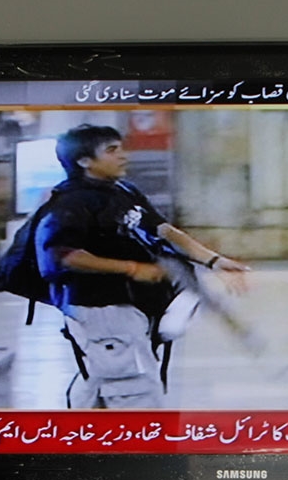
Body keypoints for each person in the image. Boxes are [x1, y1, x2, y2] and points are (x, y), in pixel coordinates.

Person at [35, 123, 249, 409]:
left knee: (104, 377)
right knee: (133, 388)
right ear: (84, 160)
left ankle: (80, 439)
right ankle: (139, 448)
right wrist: (132, 268)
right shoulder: (71, 203)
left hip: (133, 304)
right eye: (112, 151)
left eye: (121, 148)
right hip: (102, 307)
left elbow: (165, 230)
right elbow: (65, 256)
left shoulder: (123, 190)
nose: (124, 156)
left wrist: (215, 261)